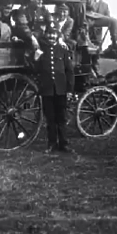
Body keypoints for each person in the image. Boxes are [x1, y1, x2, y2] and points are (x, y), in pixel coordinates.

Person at [36, 26, 75, 154]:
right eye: (49, 34)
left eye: (54, 34)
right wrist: (35, 58)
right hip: (47, 91)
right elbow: (34, 70)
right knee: (50, 119)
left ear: (57, 36)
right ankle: (52, 144)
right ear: (45, 36)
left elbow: (69, 72)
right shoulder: (41, 51)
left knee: (62, 118)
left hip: (61, 90)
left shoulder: (63, 51)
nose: (51, 37)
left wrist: (69, 90)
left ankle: (64, 144)